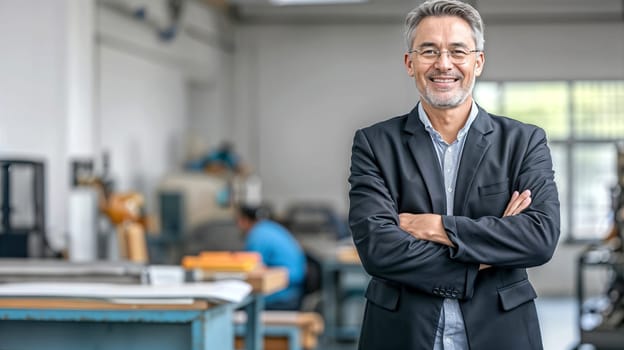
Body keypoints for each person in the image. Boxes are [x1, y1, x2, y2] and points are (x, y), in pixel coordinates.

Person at [348, 1, 560, 349]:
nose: (443, 64)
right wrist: (487, 252)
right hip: (401, 333)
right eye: (429, 51)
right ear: (409, 62)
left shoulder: (523, 141)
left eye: (457, 51)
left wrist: (436, 227)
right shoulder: (375, 144)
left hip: (501, 332)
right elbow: (379, 250)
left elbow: (539, 237)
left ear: (478, 61)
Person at [236, 204, 307, 310]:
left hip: (283, 295)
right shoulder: (270, 227)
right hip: (295, 291)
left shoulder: (257, 234)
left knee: (237, 304)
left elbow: (251, 269)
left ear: (244, 220)